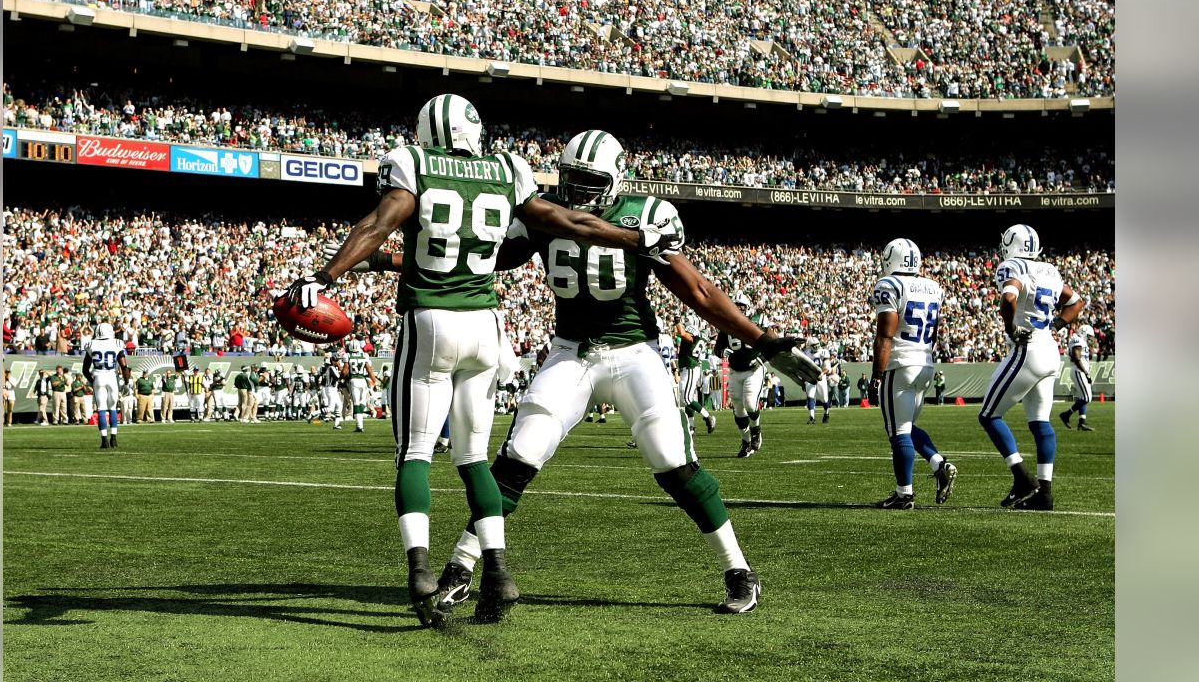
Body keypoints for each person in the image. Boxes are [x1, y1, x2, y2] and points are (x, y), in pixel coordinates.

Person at [287, 97, 682, 627]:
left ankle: (421, 571)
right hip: (486, 327)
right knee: (474, 458)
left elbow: (379, 225)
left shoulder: (413, 162)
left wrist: (325, 276)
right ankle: (496, 571)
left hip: (430, 317)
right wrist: (634, 238)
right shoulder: (507, 168)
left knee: (415, 452)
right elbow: (571, 222)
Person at [400, 130, 819, 620]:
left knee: (672, 461)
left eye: (589, 181)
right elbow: (477, 257)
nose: (577, 191)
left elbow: (698, 291)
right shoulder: (543, 213)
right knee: (519, 455)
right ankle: (463, 565)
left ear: (615, 180)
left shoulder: (643, 216)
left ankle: (739, 569)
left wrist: (761, 340)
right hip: (570, 353)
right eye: (571, 179)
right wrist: (391, 260)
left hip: (633, 351)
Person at [978, 225, 1087, 511]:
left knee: (989, 414)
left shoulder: (1012, 266)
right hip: (1051, 350)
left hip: (1027, 348)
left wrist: (1011, 329)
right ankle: (1045, 493)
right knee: (1040, 422)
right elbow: (1076, 302)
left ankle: (1022, 478)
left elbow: (1009, 297)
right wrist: (1058, 324)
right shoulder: (1050, 270)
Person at [867, 239, 957, 509]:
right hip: (925, 363)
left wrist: (876, 376)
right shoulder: (933, 287)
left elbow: (885, 335)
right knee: (907, 426)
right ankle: (939, 464)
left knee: (899, 431)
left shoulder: (890, 285)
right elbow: (936, 332)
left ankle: (904, 494)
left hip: (900, 363)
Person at [715, 292, 767, 458]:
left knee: (750, 404)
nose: (738, 308)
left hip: (753, 371)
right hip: (735, 371)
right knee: (738, 409)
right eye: (735, 305)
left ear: (746, 308)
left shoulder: (756, 323)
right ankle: (745, 442)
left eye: (741, 306)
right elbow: (717, 349)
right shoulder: (726, 326)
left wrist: (761, 359)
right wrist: (723, 352)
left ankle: (756, 430)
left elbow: (770, 346)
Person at [82, 322, 131, 449]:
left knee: (101, 409)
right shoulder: (117, 343)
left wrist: (92, 381)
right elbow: (124, 366)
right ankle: (114, 438)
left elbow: (85, 369)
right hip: (111, 377)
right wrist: (126, 381)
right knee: (113, 408)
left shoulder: (91, 344)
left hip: (98, 376)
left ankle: (104, 440)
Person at [676, 318, 716, 435]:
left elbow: (682, 333)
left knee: (687, 398)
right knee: (687, 398)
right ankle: (691, 426)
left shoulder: (691, 336)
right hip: (690, 367)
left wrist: (677, 320)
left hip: (690, 367)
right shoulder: (698, 336)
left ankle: (708, 417)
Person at [1059, 324, 1096, 432]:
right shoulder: (1077, 339)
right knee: (1087, 397)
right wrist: (1086, 373)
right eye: (1088, 336)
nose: (1090, 339)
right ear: (1084, 332)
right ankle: (1066, 414)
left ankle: (1082, 423)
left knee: (1082, 397)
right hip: (1078, 370)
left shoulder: (1081, 341)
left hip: (1080, 370)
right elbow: (1076, 357)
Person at [344, 340, 376, 432]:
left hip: (354, 380)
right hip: (363, 380)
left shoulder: (348, 356)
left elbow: (345, 370)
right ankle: (360, 425)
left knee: (357, 403)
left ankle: (359, 426)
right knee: (363, 402)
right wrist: (374, 380)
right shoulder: (364, 355)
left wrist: (341, 378)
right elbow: (369, 370)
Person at [803, 340, 832, 424]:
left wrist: (822, 373)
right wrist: (803, 379)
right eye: (814, 345)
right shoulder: (806, 352)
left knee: (824, 398)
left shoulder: (823, 352)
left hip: (821, 377)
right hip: (810, 377)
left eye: (817, 344)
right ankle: (812, 417)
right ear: (810, 346)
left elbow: (827, 368)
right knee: (810, 396)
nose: (816, 346)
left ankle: (826, 412)